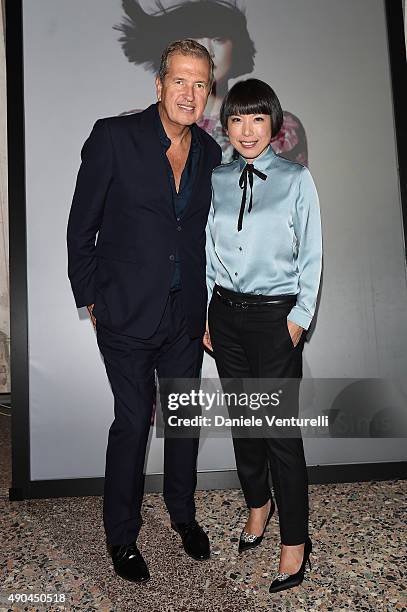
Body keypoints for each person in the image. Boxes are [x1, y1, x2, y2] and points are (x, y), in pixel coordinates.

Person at [67, 39, 222, 583]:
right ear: (158, 85)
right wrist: (91, 298)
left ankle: (183, 515)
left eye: (199, 83)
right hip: (126, 312)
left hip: (184, 315)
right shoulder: (113, 137)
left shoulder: (209, 153)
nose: (188, 93)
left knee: (182, 422)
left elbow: (200, 235)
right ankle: (122, 535)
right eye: (178, 80)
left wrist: (206, 309)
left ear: (209, 92)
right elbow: (81, 225)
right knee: (133, 423)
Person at [204, 79, 322, 593]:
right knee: (245, 425)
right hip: (224, 316)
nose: (247, 130)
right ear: (226, 126)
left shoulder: (297, 179)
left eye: (257, 119)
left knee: (278, 432)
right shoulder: (218, 178)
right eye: (236, 119)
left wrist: (301, 315)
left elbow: (313, 252)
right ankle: (259, 506)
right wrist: (207, 309)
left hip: (276, 319)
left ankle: (295, 540)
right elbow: (207, 245)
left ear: (273, 124)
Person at [115, 0, 308, 164]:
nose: (209, 52)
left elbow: (294, 202)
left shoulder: (279, 128)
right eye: (195, 42)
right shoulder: (135, 128)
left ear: (237, 46)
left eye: (219, 39)